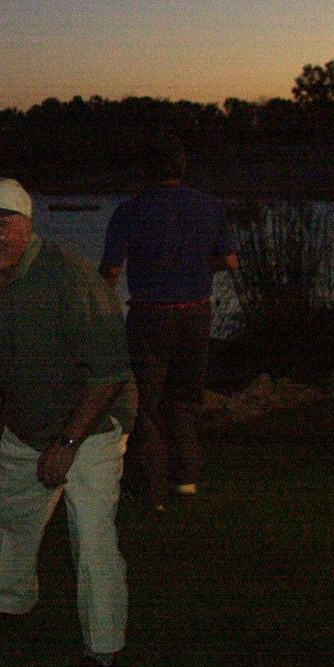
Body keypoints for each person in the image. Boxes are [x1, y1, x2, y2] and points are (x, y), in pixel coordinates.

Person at [0, 178, 135, 667]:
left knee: (92, 533)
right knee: (12, 520)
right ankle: (12, 606)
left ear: (28, 225)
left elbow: (109, 373)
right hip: (27, 424)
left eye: (0, 224)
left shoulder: (72, 280)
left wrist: (69, 444)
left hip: (94, 424)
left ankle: (104, 651)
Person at [99, 134, 238, 510]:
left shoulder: (130, 210)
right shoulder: (210, 206)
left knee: (145, 401)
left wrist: (99, 313)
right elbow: (229, 261)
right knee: (184, 397)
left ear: (147, 171)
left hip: (150, 315)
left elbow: (111, 270)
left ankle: (148, 487)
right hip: (195, 313)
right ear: (182, 168)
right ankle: (185, 478)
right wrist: (192, 267)